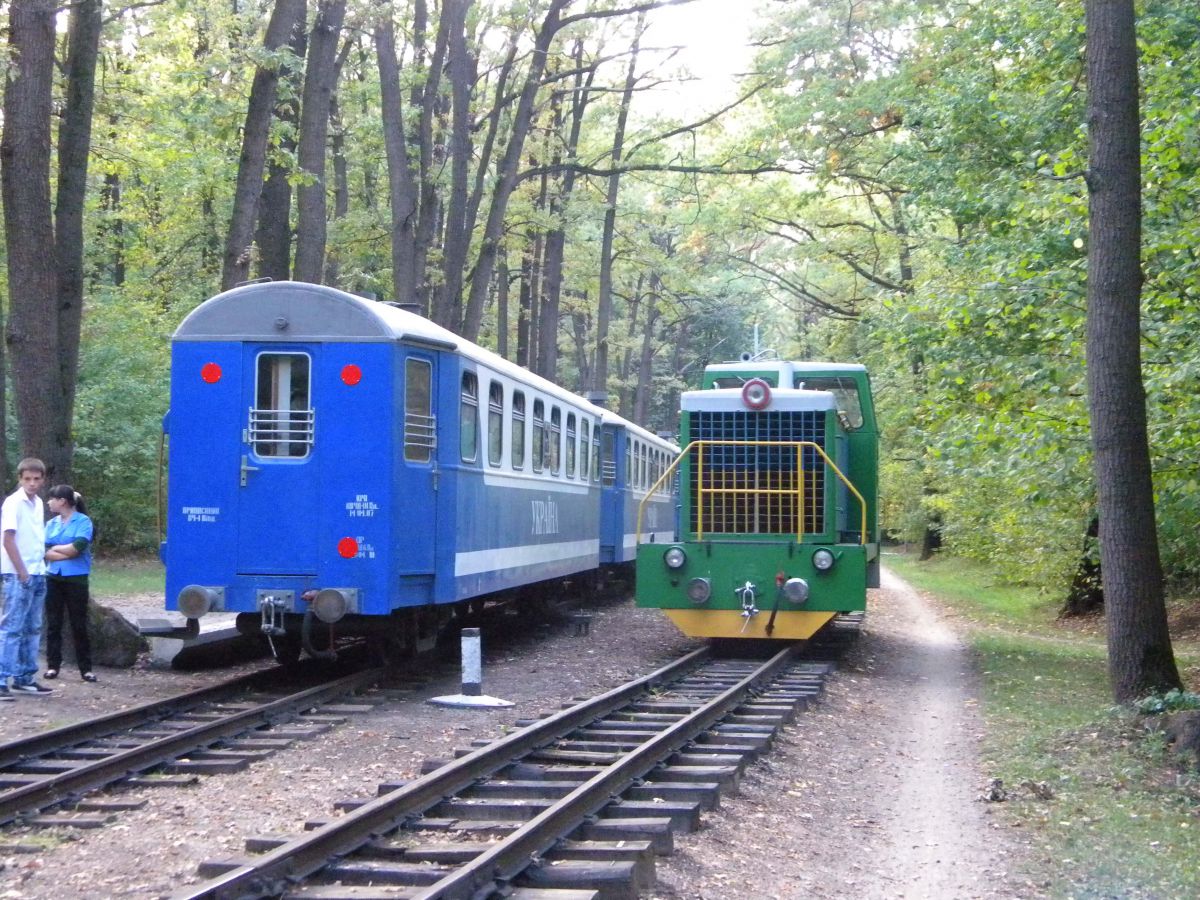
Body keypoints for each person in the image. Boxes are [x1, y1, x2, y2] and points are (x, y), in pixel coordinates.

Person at [0, 458, 52, 698]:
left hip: (38, 570)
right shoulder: (13, 503)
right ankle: (2, 679)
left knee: (33, 627)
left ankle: (25, 677)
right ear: (20, 479)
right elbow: (8, 538)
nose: (32, 483)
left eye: (36, 479)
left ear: (42, 480)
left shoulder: (39, 503)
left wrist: (40, 565)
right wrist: (21, 570)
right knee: (12, 627)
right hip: (17, 572)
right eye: (27, 479)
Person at [44, 485, 96, 683]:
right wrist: (63, 550)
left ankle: (86, 668)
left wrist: (55, 549)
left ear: (62, 501)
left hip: (76, 579)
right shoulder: (51, 523)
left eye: (52, 499)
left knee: (78, 624)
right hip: (53, 577)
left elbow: (78, 548)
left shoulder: (83, 522)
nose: (49, 502)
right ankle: (52, 666)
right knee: (53, 623)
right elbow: (42, 549)